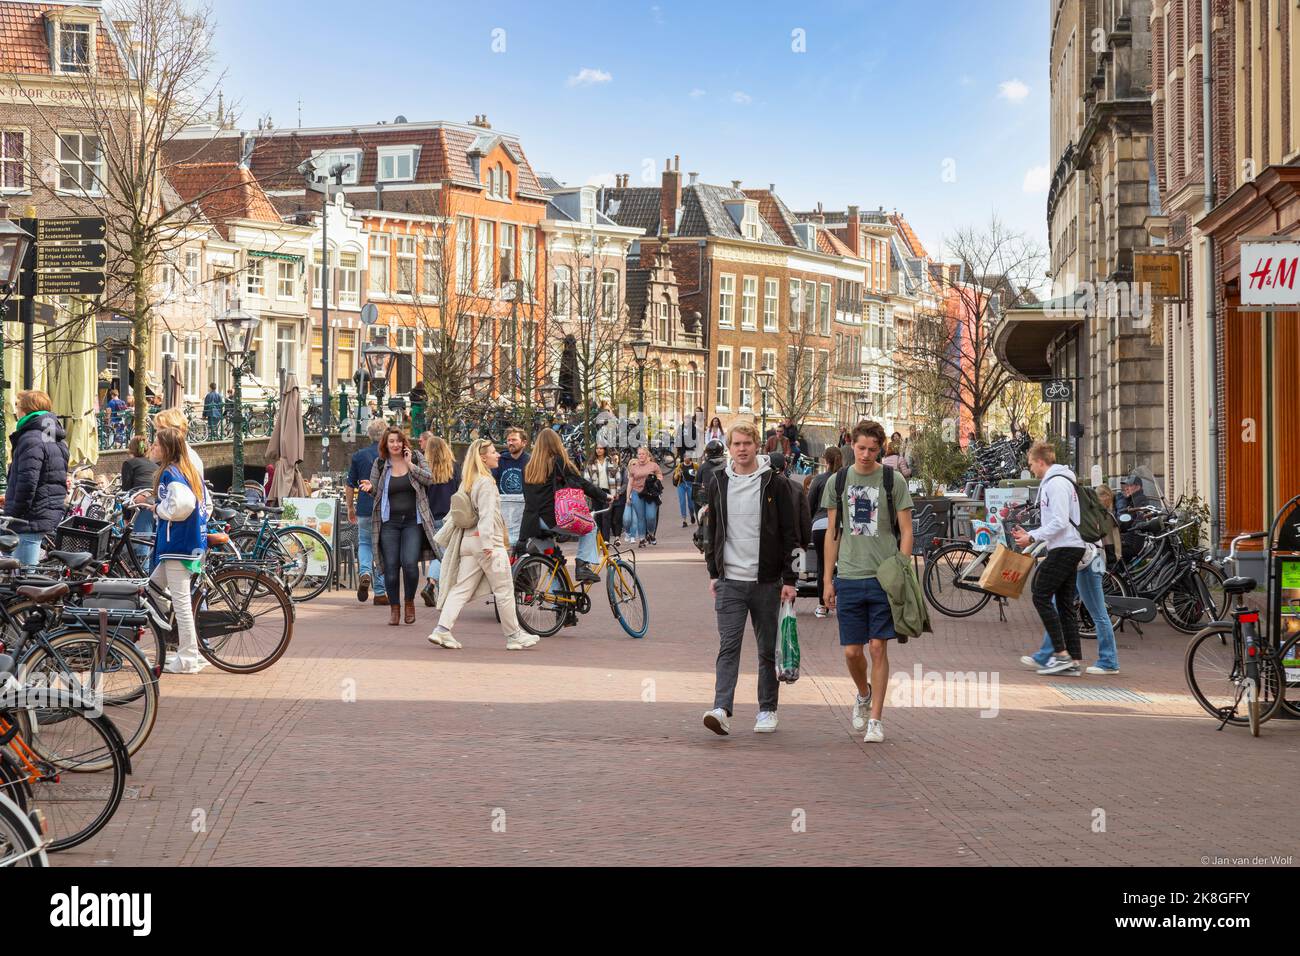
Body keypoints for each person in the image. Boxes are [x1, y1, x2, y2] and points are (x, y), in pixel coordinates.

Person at [700, 421, 799, 736]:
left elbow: (791, 534)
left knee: (767, 649)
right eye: (736, 444)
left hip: (767, 581)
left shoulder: (775, 484)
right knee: (728, 645)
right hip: (730, 580)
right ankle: (721, 709)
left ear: (758, 445)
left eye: (747, 443)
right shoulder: (719, 481)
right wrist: (714, 573)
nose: (741, 449)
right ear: (729, 446)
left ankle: (767, 710)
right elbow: (712, 530)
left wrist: (790, 579)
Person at [822, 420, 914, 743]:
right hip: (848, 575)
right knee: (851, 652)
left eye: (872, 450)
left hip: (882, 578)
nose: (865, 455)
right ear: (852, 446)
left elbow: (906, 531)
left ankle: (876, 718)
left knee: (877, 647)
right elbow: (832, 534)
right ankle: (863, 693)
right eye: (860, 448)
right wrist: (826, 580)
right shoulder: (838, 481)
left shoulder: (893, 480)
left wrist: (901, 570)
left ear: (881, 449)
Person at [428, 438, 534, 651]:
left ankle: (442, 630)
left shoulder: (468, 480)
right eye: (494, 452)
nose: (498, 455)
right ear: (483, 457)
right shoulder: (485, 482)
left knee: (461, 589)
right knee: (504, 589)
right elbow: (486, 515)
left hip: (468, 541)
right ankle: (514, 636)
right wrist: (489, 544)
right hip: (488, 543)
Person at [1011, 441, 1086, 676]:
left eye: (1032, 463)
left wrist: (1032, 537)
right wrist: (1034, 536)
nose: (1031, 468)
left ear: (1041, 462)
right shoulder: (1060, 481)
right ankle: (1072, 659)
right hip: (1067, 546)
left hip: (1065, 546)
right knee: (1064, 604)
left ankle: (1061, 654)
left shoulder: (1055, 485)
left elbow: (1060, 521)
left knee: (1040, 594)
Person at [144, 427, 209, 674]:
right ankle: (176, 644)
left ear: (167, 449)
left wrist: (159, 509)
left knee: (181, 603)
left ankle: (189, 657)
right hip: (190, 543)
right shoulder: (188, 471)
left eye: (156, 445)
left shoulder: (170, 473)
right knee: (151, 590)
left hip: (177, 546)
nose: (152, 448)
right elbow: (204, 504)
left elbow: (183, 505)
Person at [362, 428, 438, 626]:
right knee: (392, 567)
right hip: (389, 523)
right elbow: (375, 490)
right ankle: (395, 608)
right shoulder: (380, 464)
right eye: (391, 442)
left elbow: (429, 480)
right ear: (385, 445)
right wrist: (370, 489)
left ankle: (409, 602)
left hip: (413, 522)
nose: (395, 445)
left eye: (398, 441)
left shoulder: (417, 458)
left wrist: (410, 465)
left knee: (410, 565)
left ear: (403, 442)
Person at [519, 428, 610, 584]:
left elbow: (528, 499)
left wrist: (522, 537)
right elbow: (582, 483)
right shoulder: (558, 462)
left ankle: (558, 603)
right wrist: (604, 496)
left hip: (534, 524)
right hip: (552, 518)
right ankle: (582, 565)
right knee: (591, 526)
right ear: (556, 444)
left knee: (553, 562)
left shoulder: (528, 468)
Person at [4, 390, 69, 566]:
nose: (16, 411)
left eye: (17, 406)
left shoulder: (31, 438)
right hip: (43, 512)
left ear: (26, 409)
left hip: (29, 518)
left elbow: (27, 482)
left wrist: (14, 514)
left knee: (24, 578)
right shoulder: (53, 436)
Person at [419, 433, 460, 608]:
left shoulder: (425, 468)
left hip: (431, 516)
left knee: (440, 553)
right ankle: (434, 585)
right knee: (445, 555)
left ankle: (434, 587)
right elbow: (460, 489)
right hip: (449, 515)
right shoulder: (454, 467)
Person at [807, 446, 843, 618]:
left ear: (825, 461)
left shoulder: (819, 479)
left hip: (821, 524)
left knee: (823, 565)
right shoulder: (845, 479)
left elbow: (809, 505)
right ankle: (845, 603)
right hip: (842, 525)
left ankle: (822, 606)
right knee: (844, 565)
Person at [121, 436, 157, 566]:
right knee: (151, 544)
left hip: (143, 504)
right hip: (156, 503)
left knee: (141, 547)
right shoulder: (154, 465)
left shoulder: (129, 464)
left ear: (131, 449)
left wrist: (126, 517)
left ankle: (145, 580)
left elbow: (126, 492)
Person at [493, 426, 530, 544]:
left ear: (524, 443)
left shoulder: (529, 461)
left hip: (522, 510)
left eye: (514, 440)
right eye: (508, 440)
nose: (510, 443)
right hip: (503, 508)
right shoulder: (501, 459)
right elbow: (492, 480)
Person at [625, 446, 665, 547]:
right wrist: (627, 497)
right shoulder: (633, 467)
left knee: (651, 516)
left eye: (643, 454)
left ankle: (651, 534)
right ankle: (642, 539)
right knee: (640, 517)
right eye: (639, 454)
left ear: (647, 455)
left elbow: (660, 476)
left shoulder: (654, 465)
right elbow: (630, 483)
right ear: (637, 455)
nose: (641, 456)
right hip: (637, 493)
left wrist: (657, 481)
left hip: (650, 493)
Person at [584, 445, 621, 543]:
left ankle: (606, 540)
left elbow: (618, 477)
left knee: (606, 516)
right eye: (597, 448)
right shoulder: (591, 463)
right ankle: (599, 540)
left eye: (601, 448)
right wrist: (587, 492)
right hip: (596, 492)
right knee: (598, 516)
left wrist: (617, 491)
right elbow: (587, 479)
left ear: (605, 450)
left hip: (608, 492)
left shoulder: (611, 461)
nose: (599, 450)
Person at [675, 455, 699, 527]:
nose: (686, 458)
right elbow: (675, 477)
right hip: (681, 485)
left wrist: (697, 474)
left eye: (687, 456)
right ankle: (684, 520)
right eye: (685, 457)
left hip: (691, 485)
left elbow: (699, 475)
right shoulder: (680, 465)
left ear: (690, 458)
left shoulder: (695, 465)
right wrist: (678, 474)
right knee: (682, 502)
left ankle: (692, 515)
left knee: (691, 504)